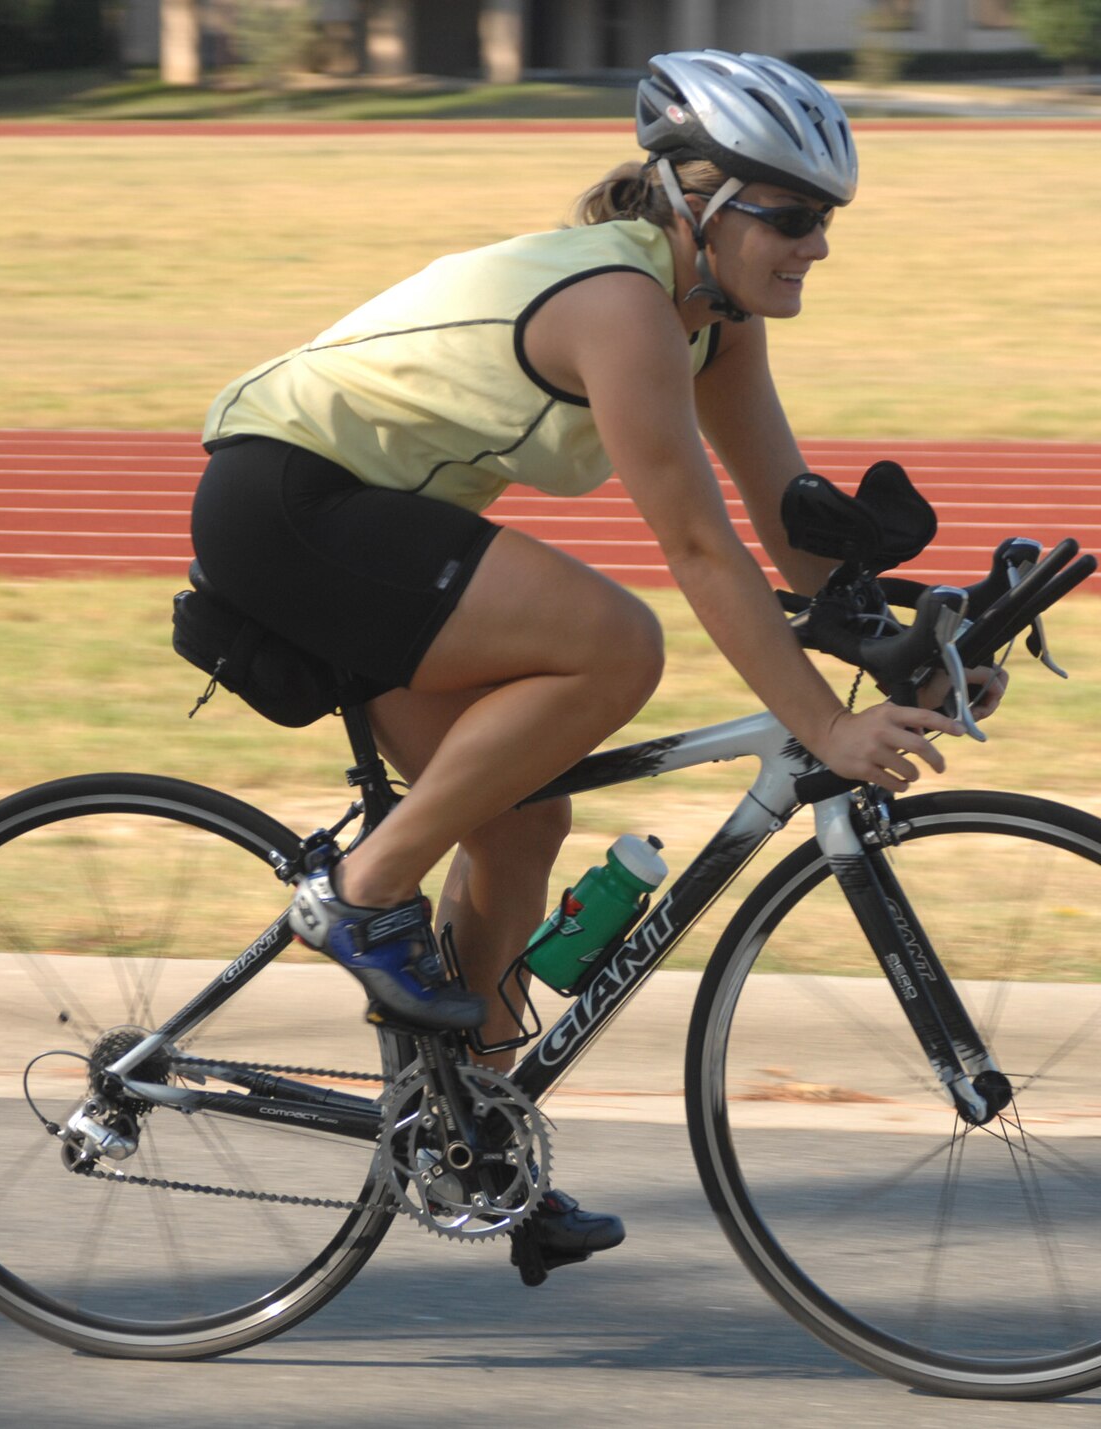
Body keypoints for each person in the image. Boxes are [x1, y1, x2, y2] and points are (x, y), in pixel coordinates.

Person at [190, 50, 982, 1266]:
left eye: (823, 221)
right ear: (702, 205)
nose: (814, 244)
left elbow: (787, 529)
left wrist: (911, 641)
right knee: (615, 644)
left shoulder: (707, 323)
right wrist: (824, 729)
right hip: (291, 504)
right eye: (790, 215)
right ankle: (358, 895)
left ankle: (474, 1140)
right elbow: (701, 551)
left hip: (371, 523)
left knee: (520, 821)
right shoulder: (618, 305)